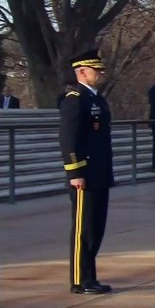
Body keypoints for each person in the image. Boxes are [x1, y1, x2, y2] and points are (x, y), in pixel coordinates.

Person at [58, 49, 113, 294]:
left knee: (96, 228)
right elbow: (69, 140)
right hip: (84, 174)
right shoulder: (74, 99)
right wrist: (74, 173)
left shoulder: (97, 99)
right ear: (82, 71)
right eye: (96, 70)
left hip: (100, 172)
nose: (101, 74)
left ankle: (91, 277)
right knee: (83, 229)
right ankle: (80, 279)